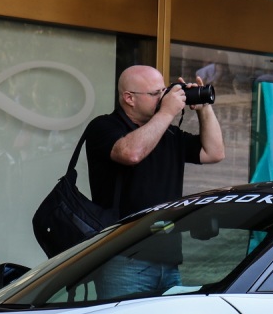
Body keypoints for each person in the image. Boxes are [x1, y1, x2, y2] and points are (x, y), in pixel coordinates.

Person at [81, 65, 224, 295]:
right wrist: (166, 113)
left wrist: (203, 108)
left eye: (164, 90)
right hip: (123, 258)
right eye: (155, 93)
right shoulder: (104, 127)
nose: (163, 97)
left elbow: (214, 152)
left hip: (168, 259)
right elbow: (131, 153)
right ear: (129, 98)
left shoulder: (168, 133)